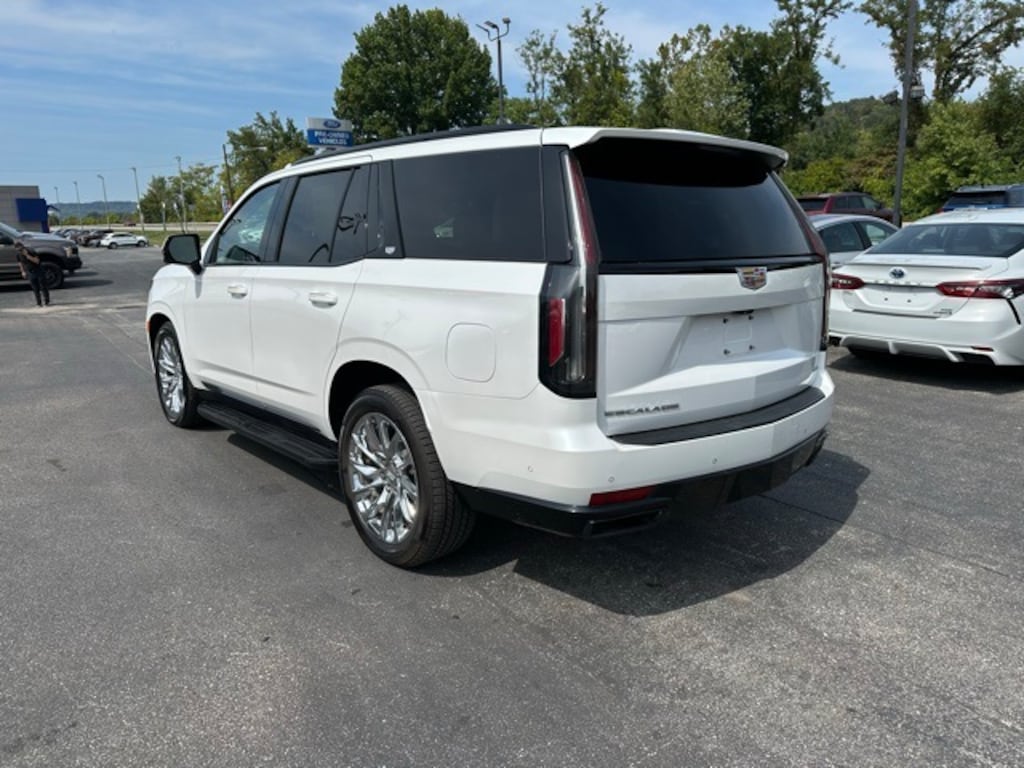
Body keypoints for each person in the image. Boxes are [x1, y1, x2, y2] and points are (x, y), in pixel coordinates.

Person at [15, 240, 50, 307]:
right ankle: (38, 303)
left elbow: (37, 261)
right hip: (30, 272)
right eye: (18, 250)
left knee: (43, 287)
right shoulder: (18, 254)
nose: (20, 251)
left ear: (22, 247)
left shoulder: (31, 251)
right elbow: (20, 264)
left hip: (38, 270)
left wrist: (27, 255)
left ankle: (46, 301)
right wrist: (23, 271)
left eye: (20, 249)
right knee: (35, 288)